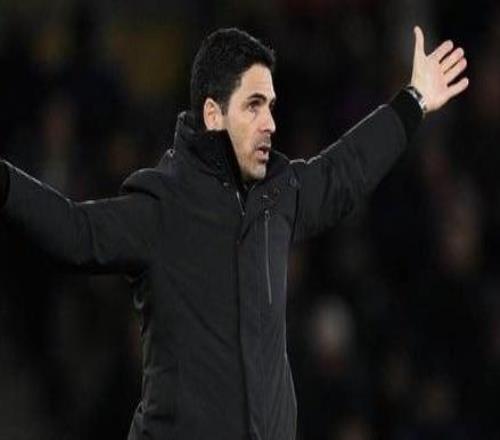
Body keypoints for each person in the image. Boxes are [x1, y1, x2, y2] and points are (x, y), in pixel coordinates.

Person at [0, 26, 468, 440]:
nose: (271, 123)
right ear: (213, 114)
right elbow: (76, 231)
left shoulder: (278, 196)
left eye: (271, 107)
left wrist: (414, 101)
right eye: (254, 105)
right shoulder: (163, 207)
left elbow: (345, 170)